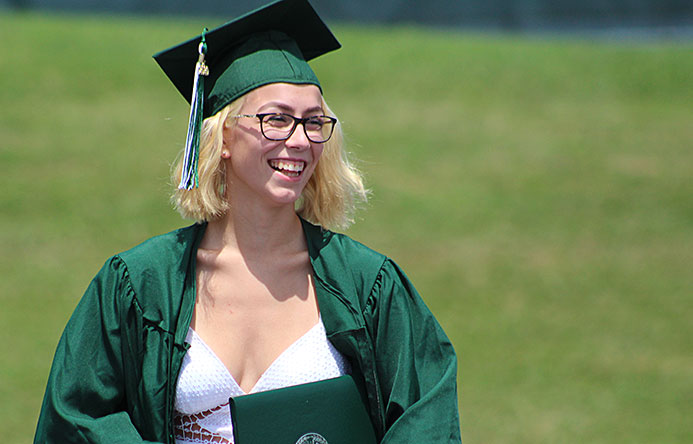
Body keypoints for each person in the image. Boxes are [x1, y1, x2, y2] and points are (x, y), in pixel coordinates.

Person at [33, 0, 461, 443]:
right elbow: (77, 416)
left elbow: (426, 418)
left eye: (314, 122)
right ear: (222, 137)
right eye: (276, 119)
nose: (299, 140)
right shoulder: (141, 285)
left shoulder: (368, 285)